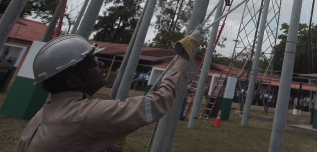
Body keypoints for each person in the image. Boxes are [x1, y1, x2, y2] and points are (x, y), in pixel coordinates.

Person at [15, 31, 203, 152]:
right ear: (74, 80)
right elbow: (158, 102)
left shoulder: (44, 114)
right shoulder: (87, 115)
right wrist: (185, 57)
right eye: (94, 63)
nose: (102, 64)